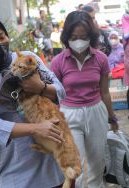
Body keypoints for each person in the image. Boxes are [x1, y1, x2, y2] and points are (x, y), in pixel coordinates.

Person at [0, 11, 67, 187]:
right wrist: (35, 129)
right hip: (15, 174)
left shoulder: (24, 57)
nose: (0, 44)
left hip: (53, 168)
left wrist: (41, 88)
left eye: (2, 37)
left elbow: (61, 91)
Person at [50, 11, 118, 188]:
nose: (78, 41)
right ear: (66, 37)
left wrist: (112, 117)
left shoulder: (101, 58)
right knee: (77, 165)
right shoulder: (58, 62)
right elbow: (53, 94)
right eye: (74, 37)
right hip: (69, 115)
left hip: (96, 112)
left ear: (91, 37)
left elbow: (105, 92)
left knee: (97, 161)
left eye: (83, 36)